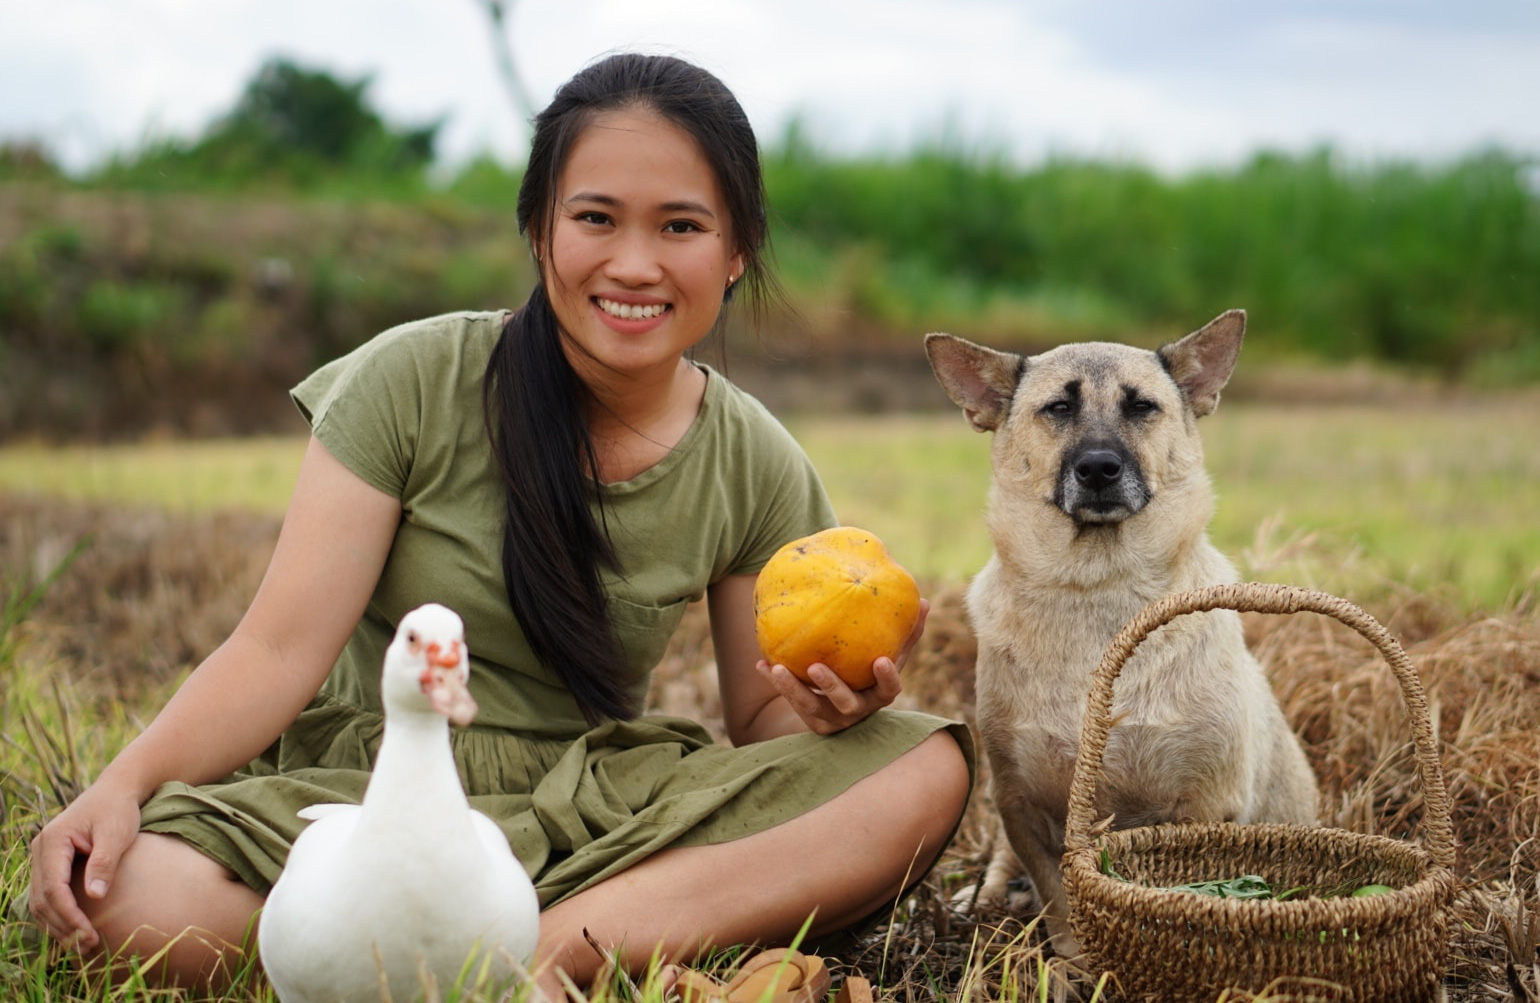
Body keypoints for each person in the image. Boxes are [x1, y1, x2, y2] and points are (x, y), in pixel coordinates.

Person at [25, 51, 973, 998]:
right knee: (130, 901)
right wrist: (120, 784)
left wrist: (826, 710)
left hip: (595, 810)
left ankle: (524, 958)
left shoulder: (755, 458)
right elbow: (276, 653)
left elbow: (758, 719)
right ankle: (570, 944)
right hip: (372, 793)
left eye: (680, 225)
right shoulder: (410, 380)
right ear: (538, 230)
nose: (634, 263)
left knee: (927, 769)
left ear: (735, 252)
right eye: (595, 218)